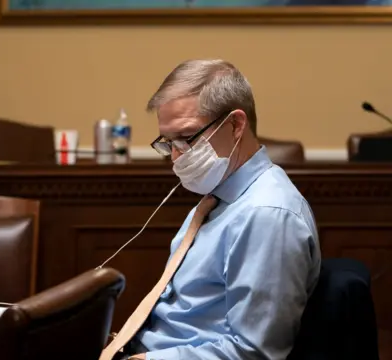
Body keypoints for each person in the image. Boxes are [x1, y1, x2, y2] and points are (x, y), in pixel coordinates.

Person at [103, 59, 321, 360]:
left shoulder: (268, 214)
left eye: (187, 138)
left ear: (235, 125)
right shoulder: (219, 197)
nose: (176, 157)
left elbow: (253, 353)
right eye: (169, 143)